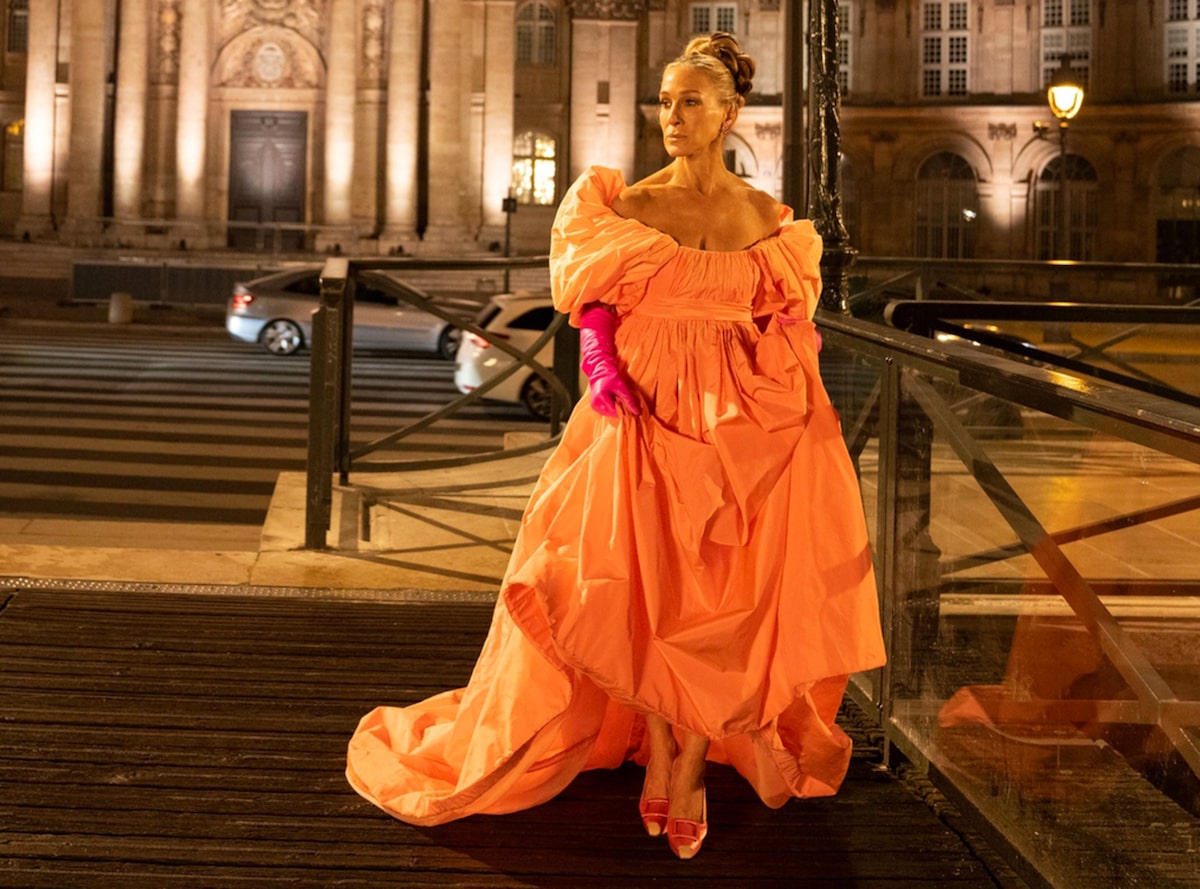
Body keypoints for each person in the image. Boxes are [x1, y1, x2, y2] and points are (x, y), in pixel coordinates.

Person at [346, 32, 886, 860]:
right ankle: (664, 753)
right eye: (665, 101)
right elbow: (595, 298)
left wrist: (796, 369)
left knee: (722, 602)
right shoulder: (628, 204)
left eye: (690, 102)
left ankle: (691, 762)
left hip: (743, 420)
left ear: (730, 113)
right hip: (643, 407)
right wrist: (599, 360)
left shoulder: (768, 218)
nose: (671, 116)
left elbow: (783, 313)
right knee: (646, 594)